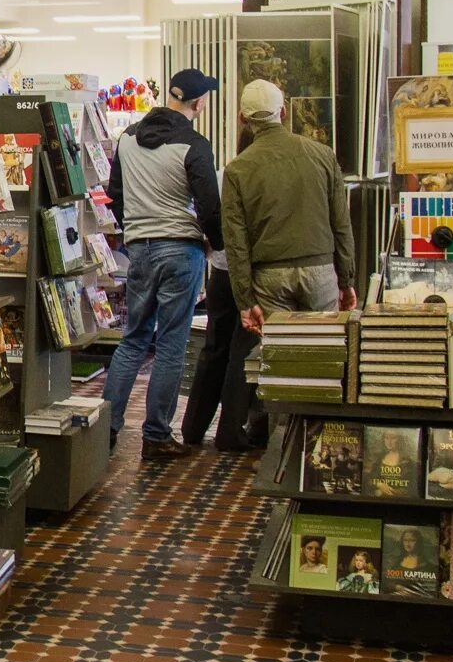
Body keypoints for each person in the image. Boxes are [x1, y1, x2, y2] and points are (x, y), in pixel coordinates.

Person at [102, 67, 224, 461]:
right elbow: (209, 205)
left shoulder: (128, 139)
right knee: (171, 344)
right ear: (199, 103)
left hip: (139, 249)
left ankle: (106, 427)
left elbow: (114, 193)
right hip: (180, 249)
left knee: (134, 339)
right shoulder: (194, 144)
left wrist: (133, 228)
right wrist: (216, 244)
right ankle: (155, 436)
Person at [220, 79, 357, 337]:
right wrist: (346, 280)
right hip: (320, 269)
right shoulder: (323, 154)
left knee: (279, 357)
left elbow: (236, 241)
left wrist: (245, 302)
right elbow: (341, 223)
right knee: (323, 352)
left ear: (242, 118)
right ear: (283, 112)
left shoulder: (237, 169)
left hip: (269, 276)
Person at [182, 148, 259, 453]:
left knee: (214, 348)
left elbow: (207, 213)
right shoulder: (257, 175)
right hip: (248, 272)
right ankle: (230, 432)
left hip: (220, 271)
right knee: (243, 350)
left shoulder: (221, 174)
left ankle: (192, 427)